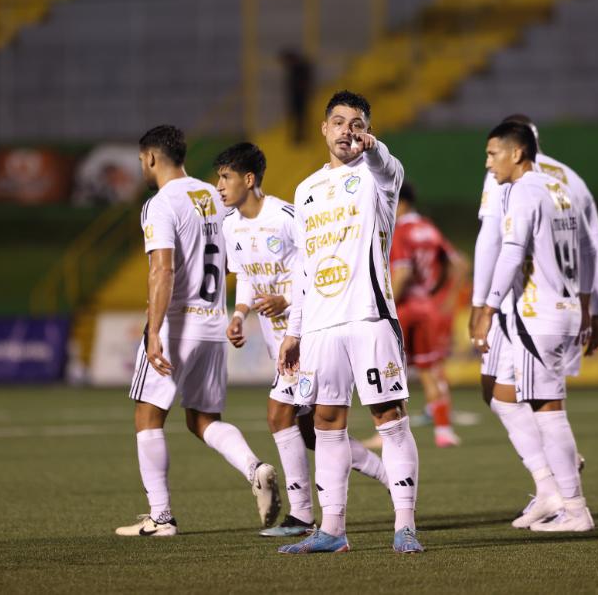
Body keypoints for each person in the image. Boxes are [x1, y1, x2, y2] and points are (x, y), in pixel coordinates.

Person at [276, 90, 424, 554]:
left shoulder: (381, 175)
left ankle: (405, 526)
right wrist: (293, 332)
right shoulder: (305, 190)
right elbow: (302, 267)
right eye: (338, 122)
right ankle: (333, 530)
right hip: (320, 326)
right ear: (323, 128)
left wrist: (373, 146)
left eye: (356, 123)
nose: (346, 130)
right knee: (326, 422)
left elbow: (384, 163)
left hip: (369, 316)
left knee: (389, 420)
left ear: (366, 130)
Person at [215, 141, 389, 537]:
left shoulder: (285, 216)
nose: (220, 186)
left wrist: (287, 299)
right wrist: (240, 313)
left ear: (248, 179)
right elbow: (244, 274)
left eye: (225, 177)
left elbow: (315, 266)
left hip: (309, 330)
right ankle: (389, 473)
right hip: (281, 338)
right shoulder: (230, 225)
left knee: (279, 415)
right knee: (313, 432)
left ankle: (301, 515)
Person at [115, 125, 281, 537]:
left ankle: (161, 517)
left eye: (141, 161)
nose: (142, 167)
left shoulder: (159, 204)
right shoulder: (215, 196)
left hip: (176, 326)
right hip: (212, 325)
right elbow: (232, 259)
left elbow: (162, 269)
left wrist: (154, 332)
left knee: (147, 416)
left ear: (152, 158)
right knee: (202, 419)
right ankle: (253, 468)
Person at [470, 114, 598, 528]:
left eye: (493, 154)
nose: (488, 164)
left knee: (548, 411)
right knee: (504, 395)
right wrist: (586, 304)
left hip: (534, 313)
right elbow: (588, 247)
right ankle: (550, 489)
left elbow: (508, 251)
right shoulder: (560, 186)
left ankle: (574, 507)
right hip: (559, 309)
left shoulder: (522, 191)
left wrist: (486, 308)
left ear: (517, 151)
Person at [388, 181, 464, 447]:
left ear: (401, 202)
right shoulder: (429, 228)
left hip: (404, 307)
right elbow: (459, 263)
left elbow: (403, 272)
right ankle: (444, 431)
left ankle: (390, 437)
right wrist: (446, 298)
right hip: (427, 306)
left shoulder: (400, 230)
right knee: (432, 372)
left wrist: (387, 304)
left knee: (391, 374)